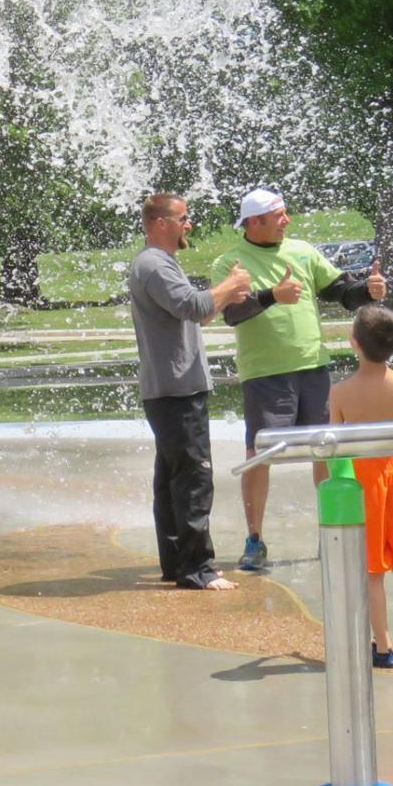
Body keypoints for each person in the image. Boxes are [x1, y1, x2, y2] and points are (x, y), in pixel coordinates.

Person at [210, 187, 386, 571]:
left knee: (326, 449)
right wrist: (273, 295)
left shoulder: (303, 251)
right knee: (259, 456)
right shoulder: (230, 263)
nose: (287, 221)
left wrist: (366, 292)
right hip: (265, 374)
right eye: (279, 215)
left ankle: (333, 532)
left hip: (313, 367)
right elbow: (231, 315)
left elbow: (339, 291)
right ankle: (254, 540)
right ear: (255, 222)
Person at [128, 193, 254, 591]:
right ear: (160, 222)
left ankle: (177, 563)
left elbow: (196, 309)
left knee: (171, 480)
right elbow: (193, 306)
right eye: (183, 218)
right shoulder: (153, 265)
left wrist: (224, 297)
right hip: (177, 389)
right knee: (194, 479)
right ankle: (199, 567)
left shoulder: (160, 263)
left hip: (168, 388)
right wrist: (230, 284)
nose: (189, 225)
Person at [329, 304, 393, 668]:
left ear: (354, 342)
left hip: (363, 480)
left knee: (372, 568)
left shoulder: (341, 392)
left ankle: (383, 646)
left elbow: (334, 444)